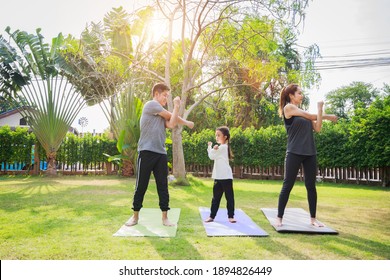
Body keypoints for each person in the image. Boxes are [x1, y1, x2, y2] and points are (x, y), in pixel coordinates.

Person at [125, 83, 194, 227]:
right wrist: (187, 122)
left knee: (162, 186)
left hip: (160, 153)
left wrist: (176, 108)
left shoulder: (160, 113)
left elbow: (171, 124)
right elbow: (170, 117)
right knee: (141, 186)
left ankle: (165, 218)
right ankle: (135, 216)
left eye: (168, 96)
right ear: (156, 94)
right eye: (164, 95)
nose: (166, 99)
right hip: (146, 152)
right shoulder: (151, 105)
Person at [276, 84, 337, 227]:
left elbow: (318, 128)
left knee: (311, 186)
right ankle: (279, 217)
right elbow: (310, 116)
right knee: (288, 185)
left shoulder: (303, 113)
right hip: (294, 152)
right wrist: (328, 116)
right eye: (299, 93)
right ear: (291, 95)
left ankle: (313, 219)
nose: (301, 95)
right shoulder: (289, 108)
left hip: (310, 153)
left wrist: (320, 110)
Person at [205, 126, 236, 223]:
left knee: (229, 197)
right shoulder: (219, 147)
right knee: (215, 198)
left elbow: (211, 156)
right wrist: (212, 148)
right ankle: (211, 216)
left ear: (225, 137)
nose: (216, 137)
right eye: (216, 135)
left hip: (226, 177)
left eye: (219, 135)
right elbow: (212, 156)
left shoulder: (223, 147)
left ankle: (231, 217)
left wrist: (210, 147)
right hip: (218, 177)